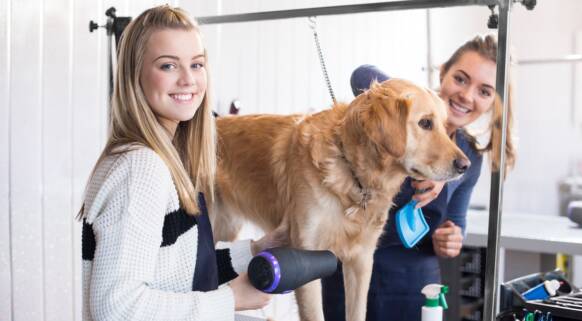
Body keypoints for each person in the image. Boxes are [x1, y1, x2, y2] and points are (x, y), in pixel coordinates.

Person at [79, 5, 285, 321]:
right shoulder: (141, 169)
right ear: (135, 75)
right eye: (168, 66)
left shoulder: (166, 159)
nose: (188, 80)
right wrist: (230, 300)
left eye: (197, 64)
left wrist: (256, 250)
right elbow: (116, 308)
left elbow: (179, 269)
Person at [322, 34, 517, 321]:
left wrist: (451, 239)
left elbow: (454, 223)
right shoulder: (397, 116)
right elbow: (361, 75)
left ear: (493, 104)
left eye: (484, 92)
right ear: (442, 74)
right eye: (460, 79)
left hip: (416, 282)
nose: (467, 95)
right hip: (351, 270)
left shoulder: (469, 158)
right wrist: (436, 162)